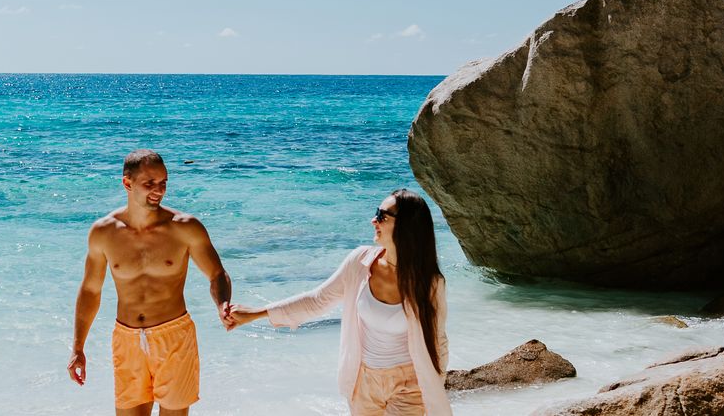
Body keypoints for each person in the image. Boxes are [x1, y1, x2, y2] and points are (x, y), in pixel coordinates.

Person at [224, 189, 451, 415]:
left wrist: (434, 389)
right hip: (363, 381)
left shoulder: (430, 283)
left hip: (409, 385)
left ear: (407, 227)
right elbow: (318, 300)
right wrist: (256, 314)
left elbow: (438, 342)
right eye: (376, 213)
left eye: (382, 216)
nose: (374, 220)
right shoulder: (359, 262)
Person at [70, 149, 235, 416]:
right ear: (127, 183)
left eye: (163, 183)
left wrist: (222, 303)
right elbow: (90, 290)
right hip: (127, 339)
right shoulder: (103, 232)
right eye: (150, 184)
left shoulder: (185, 227)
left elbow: (217, 274)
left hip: (174, 337)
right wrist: (78, 347)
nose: (158, 190)